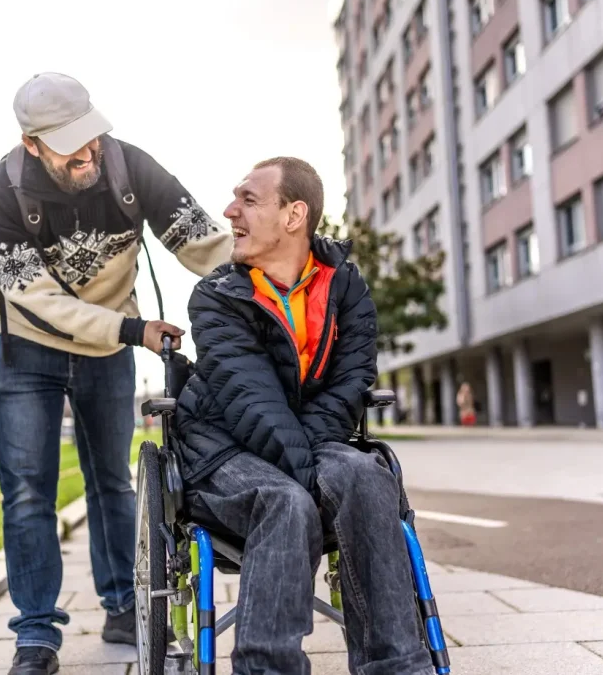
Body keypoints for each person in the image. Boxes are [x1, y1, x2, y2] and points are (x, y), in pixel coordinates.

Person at [0, 72, 233, 675]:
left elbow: (202, 243)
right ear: (31, 144)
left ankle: (122, 605)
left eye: (92, 136)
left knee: (112, 482)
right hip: (25, 349)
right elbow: (39, 300)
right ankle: (36, 636)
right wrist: (131, 331)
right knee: (28, 492)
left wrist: (274, 266)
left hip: (106, 350)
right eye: (71, 145)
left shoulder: (130, 169)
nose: (89, 153)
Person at [173, 157, 436, 675]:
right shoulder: (216, 297)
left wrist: (317, 461)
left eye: (248, 200)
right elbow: (252, 401)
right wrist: (312, 476)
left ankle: (398, 666)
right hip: (222, 447)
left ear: (295, 215)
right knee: (285, 502)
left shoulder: (346, 288)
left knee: (367, 477)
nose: (230, 212)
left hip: (308, 440)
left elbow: (350, 384)